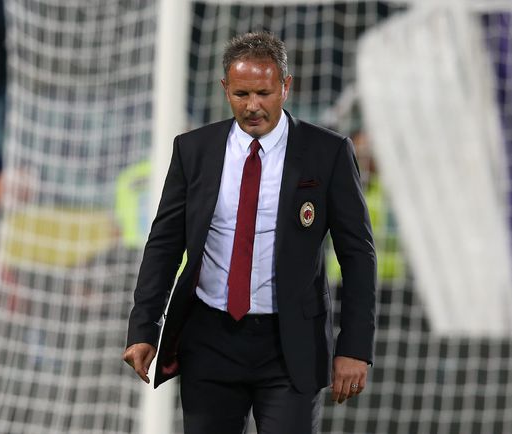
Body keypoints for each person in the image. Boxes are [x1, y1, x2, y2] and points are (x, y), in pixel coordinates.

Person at [123, 31, 376, 434]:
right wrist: (143, 327)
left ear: (286, 87)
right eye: (241, 94)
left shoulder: (327, 153)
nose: (253, 105)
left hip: (290, 343)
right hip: (209, 339)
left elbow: (358, 255)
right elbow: (164, 245)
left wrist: (355, 348)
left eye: (264, 93)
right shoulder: (194, 150)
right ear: (225, 88)